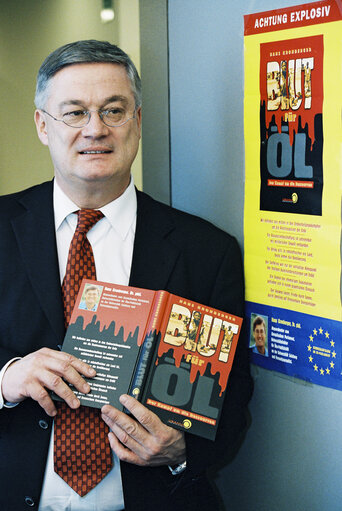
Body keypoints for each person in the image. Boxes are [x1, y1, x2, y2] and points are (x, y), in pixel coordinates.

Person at [0, 40, 253, 511]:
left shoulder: (206, 251)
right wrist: (7, 378)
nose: (95, 130)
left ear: (137, 120)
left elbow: (233, 402)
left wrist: (182, 452)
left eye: (113, 110)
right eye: (74, 113)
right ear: (42, 125)